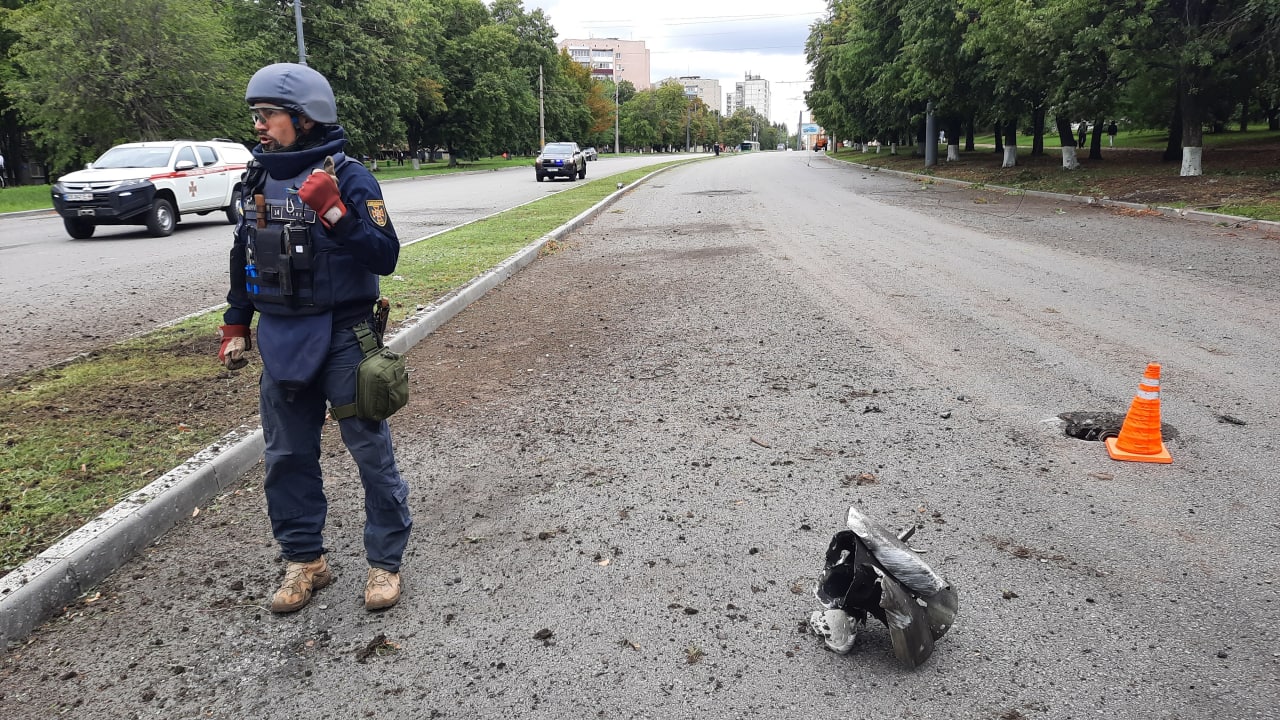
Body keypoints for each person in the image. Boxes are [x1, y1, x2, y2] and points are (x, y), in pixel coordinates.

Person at [218, 63, 412, 614]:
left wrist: (334, 212)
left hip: (346, 336)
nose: (259, 125)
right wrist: (237, 322)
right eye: (255, 115)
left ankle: (384, 562)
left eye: (268, 115)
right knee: (286, 457)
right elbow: (244, 256)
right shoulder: (255, 179)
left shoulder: (351, 178)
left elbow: (386, 256)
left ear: (304, 118)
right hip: (281, 337)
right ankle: (306, 561)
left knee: (370, 454)